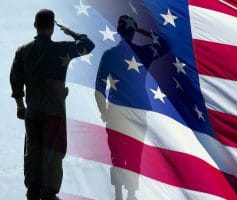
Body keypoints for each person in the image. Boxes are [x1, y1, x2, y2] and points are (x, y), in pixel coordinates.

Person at [10, 9, 95, 200]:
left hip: (33, 111)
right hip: (54, 113)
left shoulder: (23, 51)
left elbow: (15, 80)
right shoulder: (61, 49)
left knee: (33, 149)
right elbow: (89, 45)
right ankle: (49, 193)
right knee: (54, 152)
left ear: (35, 25)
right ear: (52, 28)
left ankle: (32, 190)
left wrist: (20, 106)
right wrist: (71, 32)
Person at [95, 15, 168, 200]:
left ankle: (119, 193)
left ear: (118, 31)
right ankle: (131, 194)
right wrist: (147, 33)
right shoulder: (144, 53)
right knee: (135, 152)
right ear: (133, 32)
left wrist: (103, 112)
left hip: (116, 112)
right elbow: (164, 46)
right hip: (138, 111)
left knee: (117, 152)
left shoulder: (109, 55)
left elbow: (99, 88)